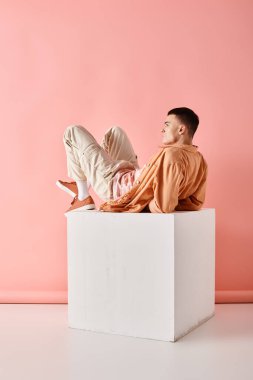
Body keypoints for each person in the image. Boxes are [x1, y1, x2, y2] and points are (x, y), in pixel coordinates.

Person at [56, 107, 208, 214]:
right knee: (114, 132)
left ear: (181, 129)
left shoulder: (172, 156)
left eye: (167, 125)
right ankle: (88, 179)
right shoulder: (200, 160)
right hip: (131, 175)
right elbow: (195, 202)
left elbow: (164, 206)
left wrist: (141, 203)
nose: (163, 130)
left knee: (72, 132)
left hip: (113, 185)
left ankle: (83, 195)